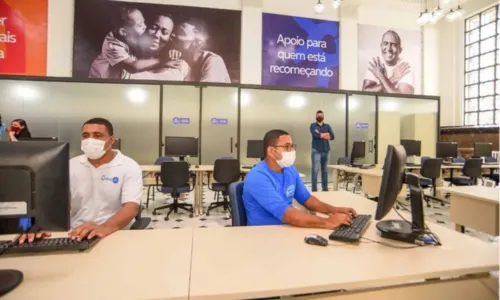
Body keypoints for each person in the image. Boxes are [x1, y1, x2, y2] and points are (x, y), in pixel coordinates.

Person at [17, 118, 142, 244]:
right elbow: (51, 202)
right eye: (86, 135)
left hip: (115, 232)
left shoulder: (128, 166)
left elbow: (131, 207)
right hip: (76, 231)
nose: (90, 140)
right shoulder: (70, 165)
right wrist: (36, 225)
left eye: (97, 136)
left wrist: (105, 227)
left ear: (111, 141)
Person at [243, 129, 356, 229]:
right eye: (287, 147)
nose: (291, 150)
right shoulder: (258, 177)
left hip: (286, 227)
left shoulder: (289, 169)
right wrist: (328, 222)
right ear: (272, 151)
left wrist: (334, 210)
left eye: (292, 146)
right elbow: (287, 214)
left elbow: (307, 199)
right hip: (264, 233)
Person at [89, 7, 171, 79]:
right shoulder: (112, 45)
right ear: (123, 32)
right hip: (102, 80)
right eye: (140, 25)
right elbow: (134, 66)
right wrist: (162, 60)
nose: (145, 27)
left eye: (144, 22)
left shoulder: (129, 35)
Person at [130, 13, 190, 81]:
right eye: (154, 28)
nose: (157, 34)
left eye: (165, 32)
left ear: (170, 38)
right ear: (145, 27)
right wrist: (163, 61)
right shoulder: (127, 58)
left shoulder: (179, 64)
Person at [362, 30, 414, 94]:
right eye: (385, 43)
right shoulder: (376, 63)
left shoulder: (405, 67)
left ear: (400, 50)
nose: (389, 48)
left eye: (393, 45)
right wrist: (393, 78)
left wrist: (380, 76)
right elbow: (365, 92)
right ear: (381, 46)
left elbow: (402, 97)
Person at [310, 110, 335, 192]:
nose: (319, 117)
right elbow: (315, 135)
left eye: (321, 115)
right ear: (316, 116)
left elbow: (332, 137)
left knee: (325, 171)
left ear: (323, 117)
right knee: (315, 170)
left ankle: (325, 188)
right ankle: (314, 189)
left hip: (326, 150)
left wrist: (321, 134)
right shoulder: (313, 125)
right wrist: (325, 134)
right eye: (318, 115)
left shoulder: (327, 126)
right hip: (316, 150)